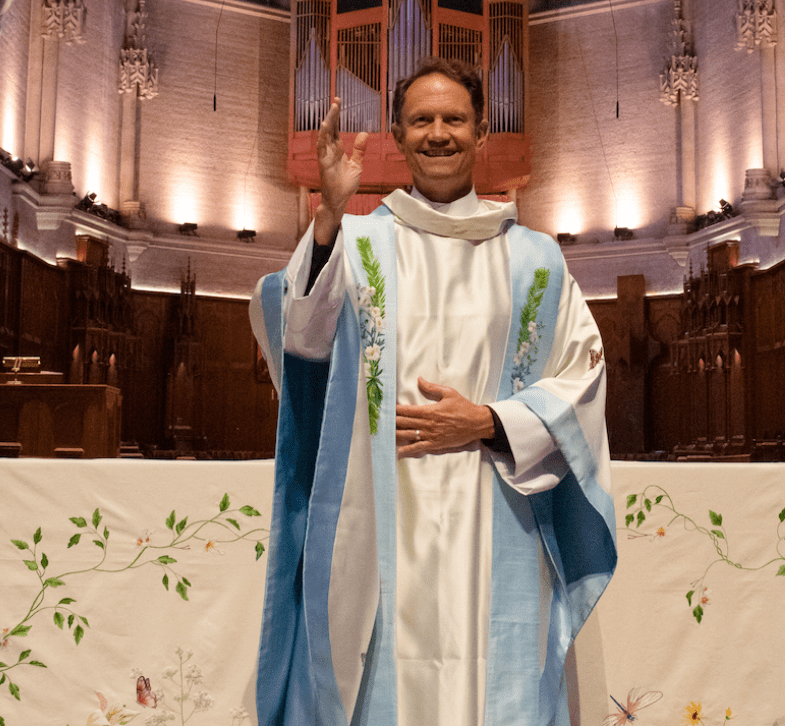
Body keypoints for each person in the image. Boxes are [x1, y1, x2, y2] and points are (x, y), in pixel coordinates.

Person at [250, 57, 617, 726]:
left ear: (482, 135)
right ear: (396, 134)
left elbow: (581, 376)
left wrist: (488, 420)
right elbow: (299, 337)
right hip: (385, 512)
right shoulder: (358, 243)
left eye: (455, 119)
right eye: (422, 120)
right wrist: (328, 217)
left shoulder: (535, 258)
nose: (438, 133)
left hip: (497, 508)